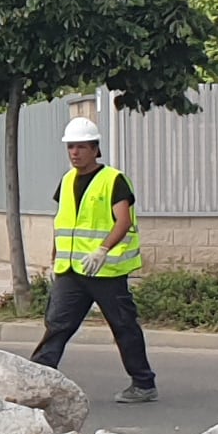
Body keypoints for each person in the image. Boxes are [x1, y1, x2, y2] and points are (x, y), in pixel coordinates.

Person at [27, 115, 157, 404]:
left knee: (124, 326)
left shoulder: (113, 180)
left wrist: (102, 250)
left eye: (81, 147)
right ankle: (35, 378)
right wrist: (54, 260)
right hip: (71, 270)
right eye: (70, 147)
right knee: (57, 325)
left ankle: (143, 383)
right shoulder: (66, 181)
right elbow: (63, 223)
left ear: (95, 149)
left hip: (106, 272)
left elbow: (122, 221)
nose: (74, 153)